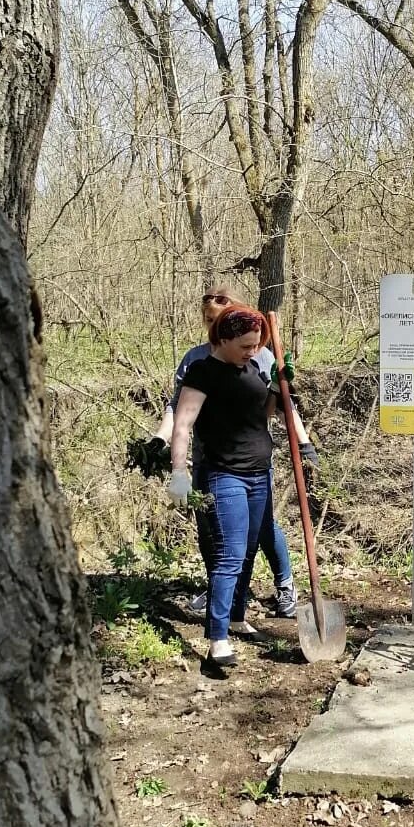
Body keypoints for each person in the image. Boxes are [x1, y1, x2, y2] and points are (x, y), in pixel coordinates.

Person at [139, 287, 318, 617]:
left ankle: (284, 584)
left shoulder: (259, 354)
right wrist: (159, 441)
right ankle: (226, 593)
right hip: (209, 458)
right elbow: (177, 410)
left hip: (250, 458)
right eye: (208, 319)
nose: (213, 324)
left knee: (262, 526)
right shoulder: (196, 359)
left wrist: (304, 442)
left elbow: (281, 404)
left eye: (219, 318)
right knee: (211, 527)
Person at [167, 304, 286, 669]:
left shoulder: (252, 368)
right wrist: (179, 471)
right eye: (246, 345)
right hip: (223, 475)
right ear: (223, 338)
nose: (253, 352)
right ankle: (217, 639)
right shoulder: (203, 372)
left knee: (248, 552)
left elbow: (262, 415)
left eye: (257, 345)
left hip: (258, 473)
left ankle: (237, 618)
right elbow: (183, 424)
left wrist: (280, 389)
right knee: (229, 556)